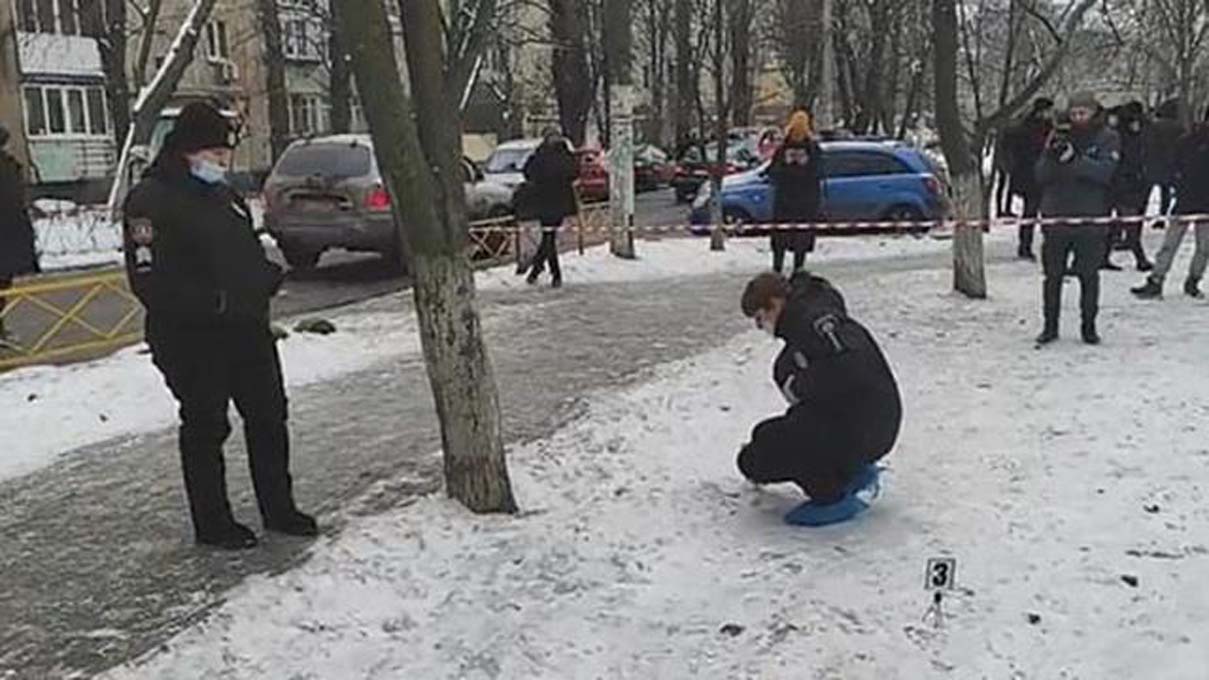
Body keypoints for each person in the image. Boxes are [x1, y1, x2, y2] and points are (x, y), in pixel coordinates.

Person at [122, 102, 316, 550]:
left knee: (268, 415)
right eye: (215, 153)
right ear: (189, 150)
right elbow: (149, 279)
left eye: (225, 154)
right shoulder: (150, 200)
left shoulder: (222, 195)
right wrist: (216, 303)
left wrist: (264, 276)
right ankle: (213, 522)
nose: (223, 162)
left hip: (246, 329)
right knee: (207, 424)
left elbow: (241, 249)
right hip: (191, 337)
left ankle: (279, 508)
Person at [737, 272, 902, 522]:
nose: (763, 328)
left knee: (768, 452)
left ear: (775, 303)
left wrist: (803, 384)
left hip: (866, 428)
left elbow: (848, 372)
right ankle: (848, 468)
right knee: (765, 435)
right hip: (869, 422)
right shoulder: (811, 322)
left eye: (761, 319)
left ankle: (831, 495)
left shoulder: (816, 326)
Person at [1034, 92, 1120, 346]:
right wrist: (1052, 157)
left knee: (1089, 275)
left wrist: (1074, 160)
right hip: (1056, 215)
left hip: (1090, 217)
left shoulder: (1107, 137)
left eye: (1083, 112)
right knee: (1053, 276)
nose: (1078, 117)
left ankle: (1089, 327)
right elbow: (1040, 174)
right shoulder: (1058, 135)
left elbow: (1104, 172)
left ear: (1094, 112)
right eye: (1074, 113)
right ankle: (1050, 326)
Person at [1131, 105, 1209, 300]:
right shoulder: (1188, 141)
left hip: (1198, 202)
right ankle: (1159, 279)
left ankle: (1189, 280)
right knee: (1173, 244)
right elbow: (1175, 165)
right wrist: (1178, 182)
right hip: (1187, 200)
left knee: (1201, 248)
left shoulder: (1187, 140)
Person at [766, 110, 824, 274]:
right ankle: (792, 272)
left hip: (790, 203)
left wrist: (789, 168)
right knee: (794, 240)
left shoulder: (803, 149)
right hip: (799, 203)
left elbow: (772, 172)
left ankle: (784, 271)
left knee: (790, 240)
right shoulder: (810, 149)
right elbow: (818, 173)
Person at [522, 127, 577, 289]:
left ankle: (547, 272)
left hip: (544, 200)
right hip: (559, 201)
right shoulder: (564, 154)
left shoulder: (541, 154)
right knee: (549, 237)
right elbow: (574, 173)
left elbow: (528, 172)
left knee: (548, 236)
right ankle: (544, 271)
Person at [0, 125, 39, 344]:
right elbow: (15, 204)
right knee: (2, 284)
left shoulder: (9, 167)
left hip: (7, 236)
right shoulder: (8, 168)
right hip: (7, 237)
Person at [1103, 101, 1153, 272]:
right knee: (1129, 222)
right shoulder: (1126, 137)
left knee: (1117, 222)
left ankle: (1103, 256)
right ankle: (1140, 259)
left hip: (1123, 183)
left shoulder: (1122, 135)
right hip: (1125, 184)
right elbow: (1129, 160)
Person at [1008, 97, 1055, 260]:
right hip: (1032, 177)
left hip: (1041, 177)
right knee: (1031, 213)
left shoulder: (1046, 128)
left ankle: (1041, 245)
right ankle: (1025, 246)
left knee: (1042, 213)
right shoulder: (1030, 129)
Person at [1146, 99, 1185, 228]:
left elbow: (1149, 145)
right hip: (1172, 163)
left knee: (1148, 191)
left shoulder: (1154, 126)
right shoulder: (1179, 127)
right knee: (1169, 192)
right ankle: (1164, 215)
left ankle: (1144, 216)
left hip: (1155, 163)